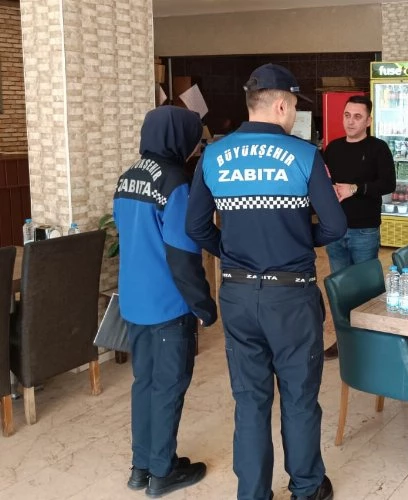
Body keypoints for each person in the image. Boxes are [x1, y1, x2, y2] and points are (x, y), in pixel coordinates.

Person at [186, 63, 346, 500]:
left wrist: (231, 253)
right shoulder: (304, 155)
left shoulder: (213, 156)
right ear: (280, 105)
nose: (293, 115)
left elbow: (195, 227)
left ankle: (253, 493)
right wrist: (298, 239)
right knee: (299, 397)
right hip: (291, 296)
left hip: (238, 294)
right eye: (294, 106)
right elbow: (335, 225)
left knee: (250, 400)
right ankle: (307, 488)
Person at [113, 105, 216, 498]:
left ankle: (141, 467)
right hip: (168, 305)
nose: (194, 147)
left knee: (145, 382)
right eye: (192, 138)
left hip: (134, 302)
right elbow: (182, 254)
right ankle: (162, 471)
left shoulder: (128, 177)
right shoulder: (175, 183)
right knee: (169, 386)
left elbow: (126, 231)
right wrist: (203, 305)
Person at [322, 95, 396, 360]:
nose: (350, 121)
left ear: (368, 120)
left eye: (357, 116)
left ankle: (369, 341)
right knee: (340, 289)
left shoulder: (378, 148)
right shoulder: (333, 148)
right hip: (335, 230)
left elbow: (388, 184)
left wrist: (355, 188)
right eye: (347, 115)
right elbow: (322, 181)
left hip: (364, 230)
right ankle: (344, 341)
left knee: (366, 289)